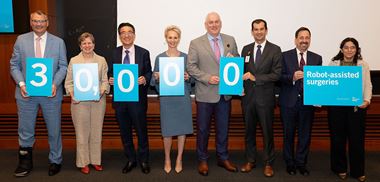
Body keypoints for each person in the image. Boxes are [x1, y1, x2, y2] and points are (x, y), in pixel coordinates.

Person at [10, 10, 67, 177]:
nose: (38, 24)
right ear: (31, 22)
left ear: (47, 22)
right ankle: (24, 162)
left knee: (54, 129)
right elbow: (14, 65)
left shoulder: (58, 42)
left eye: (42, 21)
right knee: (25, 129)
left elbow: (63, 66)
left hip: (51, 94)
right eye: (35, 21)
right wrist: (21, 84)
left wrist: (55, 83)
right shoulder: (21, 40)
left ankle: (55, 160)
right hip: (26, 94)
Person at [187, 12, 239, 176]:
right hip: (205, 93)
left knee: (223, 129)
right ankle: (202, 159)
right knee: (203, 129)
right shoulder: (195, 43)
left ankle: (223, 157)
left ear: (220, 23)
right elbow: (191, 67)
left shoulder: (230, 39)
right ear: (206, 24)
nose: (214, 25)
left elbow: (236, 61)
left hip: (225, 94)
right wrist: (208, 78)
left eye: (216, 22)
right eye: (211, 22)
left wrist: (233, 60)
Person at [108, 22, 152, 174]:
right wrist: (110, 79)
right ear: (120, 36)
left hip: (138, 100)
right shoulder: (114, 53)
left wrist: (144, 79)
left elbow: (149, 73)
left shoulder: (143, 53)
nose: (126, 35)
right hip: (120, 101)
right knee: (125, 132)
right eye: (123, 32)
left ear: (134, 34)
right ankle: (131, 159)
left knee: (141, 131)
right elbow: (110, 73)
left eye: (129, 32)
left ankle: (144, 160)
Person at [240, 19, 282, 177]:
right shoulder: (246, 49)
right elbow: (242, 72)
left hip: (266, 98)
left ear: (266, 30)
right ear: (252, 31)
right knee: (249, 132)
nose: (258, 32)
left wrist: (255, 77)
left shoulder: (275, 50)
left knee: (267, 132)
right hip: (248, 98)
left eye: (261, 29)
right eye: (255, 29)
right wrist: (239, 88)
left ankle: (269, 163)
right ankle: (250, 160)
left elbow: (276, 75)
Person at [64, 32, 110, 174]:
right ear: (80, 45)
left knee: (96, 132)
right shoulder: (74, 61)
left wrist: (101, 92)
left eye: (90, 43)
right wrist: (72, 95)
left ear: (94, 44)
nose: (87, 45)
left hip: (98, 101)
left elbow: (105, 81)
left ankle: (95, 161)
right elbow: (68, 83)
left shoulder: (101, 60)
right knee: (82, 133)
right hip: (79, 103)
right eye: (84, 43)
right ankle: (83, 162)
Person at [279, 27, 322, 176]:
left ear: (309, 39)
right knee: (288, 134)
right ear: (295, 39)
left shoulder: (317, 58)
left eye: (307, 38)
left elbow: (319, 82)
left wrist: (318, 98)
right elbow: (278, 77)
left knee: (305, 135)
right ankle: (290, 163)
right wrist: (291, 77)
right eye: (301, 37)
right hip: (288, 102)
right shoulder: (284, 56)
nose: (304, 40)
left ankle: (301, 163)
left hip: (307, 103)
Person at [328, 37, 372, 182]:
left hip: (356, 109)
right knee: (337, 139)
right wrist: (319, 98)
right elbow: (327, 85)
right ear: (341, 49)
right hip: (337, 109)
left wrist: (367, 100)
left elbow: (368, 85)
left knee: (357, 141)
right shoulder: (333, 64)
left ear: (356, 50)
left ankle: (357, 171)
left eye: (352, 47)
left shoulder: (363, 65)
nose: (349, 50)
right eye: (346, 47)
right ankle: (339, 168)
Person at [151, 25, 193, 174]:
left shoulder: (186, 57)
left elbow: (193, 79)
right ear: (166, 38)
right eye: (170, 37)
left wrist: (189, 77)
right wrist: (156, 78)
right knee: (167, 131)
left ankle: (179, 159)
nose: (172, 40)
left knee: (182, 130)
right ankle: (167, 158)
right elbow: (153, 81)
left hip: (182, 98)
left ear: (179, 39)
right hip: (167, 99)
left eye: (175, 37)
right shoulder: (159, 58)